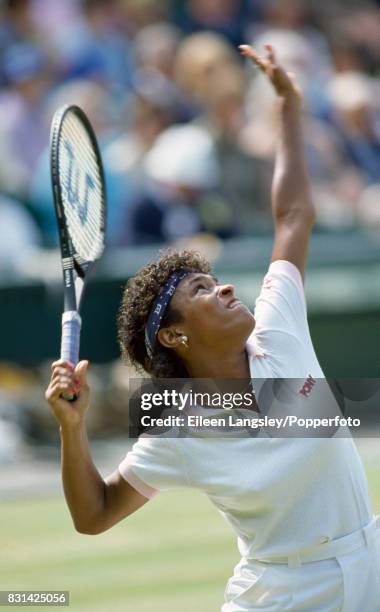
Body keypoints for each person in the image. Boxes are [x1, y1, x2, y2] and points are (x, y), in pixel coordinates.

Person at [45, 45, 380, 611]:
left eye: (216, 280)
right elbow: (94, 515)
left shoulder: (279, 327)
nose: (224, 288)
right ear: (175, 336)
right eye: (200, 291)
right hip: (281, 593)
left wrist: (289, 108)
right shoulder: (176, 430)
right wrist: (71, 428)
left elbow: (294, 214)